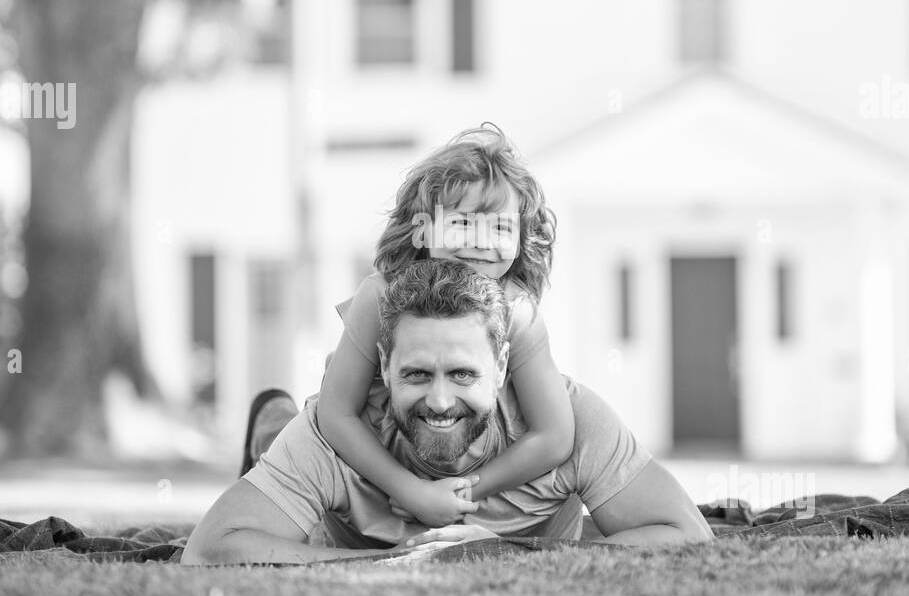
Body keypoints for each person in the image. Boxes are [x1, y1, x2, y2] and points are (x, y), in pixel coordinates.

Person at [181, 259, 714, 565]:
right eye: (417, 375)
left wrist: (503, 552)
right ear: (384, 364)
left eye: (462, 374)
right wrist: (401, 562)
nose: (439, 401)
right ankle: (274, 426)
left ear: (502, 367)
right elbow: (207, 553)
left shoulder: (566, 418)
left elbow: (687, 534)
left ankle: (274, 430)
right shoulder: (336, 430)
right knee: (285, 440)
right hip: (320, 469)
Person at [313, 124, 574, 528]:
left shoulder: (517, 314)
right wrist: (408, 490)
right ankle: (270, 420)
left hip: (454, 449)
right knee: (280, 438)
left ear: (521, 238)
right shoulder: (380, 297)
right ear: (422, 230)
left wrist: (463, 490)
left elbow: (554, 435)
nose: (481, 241)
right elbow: (335, 413)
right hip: (369, 449)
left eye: (501, 227)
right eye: (463, 223)